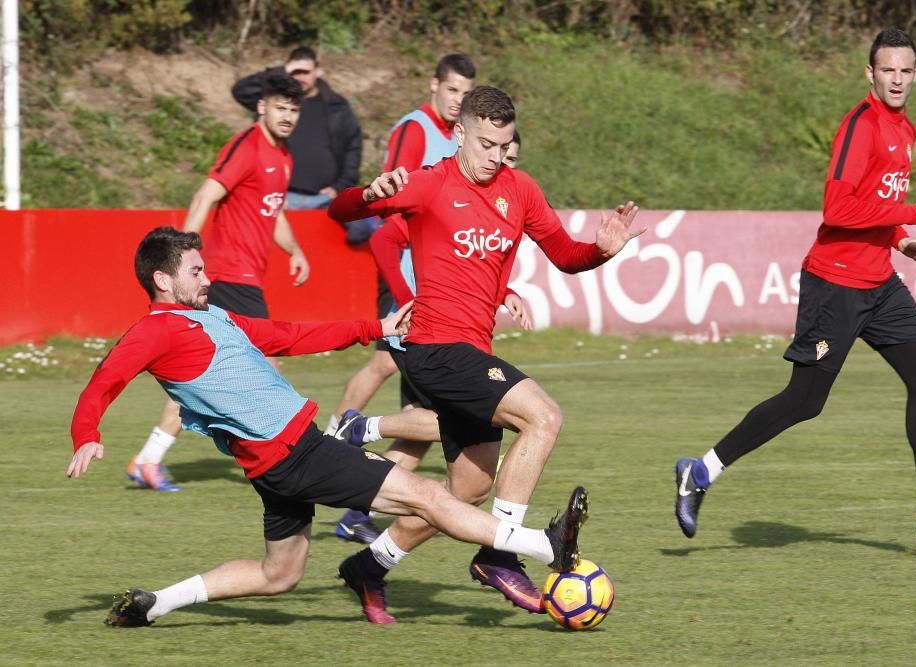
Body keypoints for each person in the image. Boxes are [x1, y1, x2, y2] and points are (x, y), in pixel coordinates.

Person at [68, 226, 589, 628]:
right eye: (197, 271)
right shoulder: (153, 331)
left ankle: (154, 605)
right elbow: (103, 380)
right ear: (164, 280)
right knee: (427, 496)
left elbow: (288, 336)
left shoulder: (213, 316)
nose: (208, 278)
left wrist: (373, 328)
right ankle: (544, 546)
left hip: (278, 463)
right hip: (297, 454)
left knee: (280, 576)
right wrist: (86, 434)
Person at [327, 85, 644, 623]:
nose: (494, 157)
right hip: (435, 347)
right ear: (459, 134)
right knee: (543, 416)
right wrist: (366, 194)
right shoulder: (429, 183)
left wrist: (600, 252)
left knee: (466, 493)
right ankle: (500, 553)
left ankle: (370, 564)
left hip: (472, 349)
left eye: (503, 146)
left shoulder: (519, 189)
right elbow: (340, 211)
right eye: (485, 144)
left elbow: (566, 255)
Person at [673, 28, 916, 543]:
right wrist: (912, 211)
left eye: (905, 70)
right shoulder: (861, 126)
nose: (896, 78)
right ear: (870, 73)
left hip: (880, 284)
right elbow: (838, 208)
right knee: (805, 400)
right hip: (835, 283)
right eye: (887, 69)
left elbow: (872, 206)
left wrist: (901, 239)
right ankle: (701, 471)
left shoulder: (904, 130)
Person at [126, 73, 311, 492]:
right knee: (264, 364)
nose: (287, 116)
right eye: (280, 107)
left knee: (208, 373)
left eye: (294, 109)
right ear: (262, 107)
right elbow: (205, 195)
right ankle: (285, 454)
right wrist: (182, 257)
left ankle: (150, 458)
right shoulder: (247, 146)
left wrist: (294, 250)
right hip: (227, 275)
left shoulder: (283, 157)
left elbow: (273, 211)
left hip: (248, 278)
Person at [326, 53, 477, 542]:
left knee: (422, 414)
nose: (458, 100)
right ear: (434, 85)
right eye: (452, 90)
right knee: (389, 370)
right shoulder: (414, 129)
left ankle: (357, 504)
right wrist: (404, 291)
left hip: (432, 289)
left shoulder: (459, 141)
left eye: (465, 93)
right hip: (406, 280)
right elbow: (389, 208)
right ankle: (335, 439)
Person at [232, 46, 362, 210]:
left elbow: (353, 147)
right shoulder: (276, 103)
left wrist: (340, 187)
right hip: (278, 197)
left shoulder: (337, 106)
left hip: (323, 199)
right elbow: (241, 91)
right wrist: (282, 71)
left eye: (305, 72)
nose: (300, 77)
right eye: (295, 72)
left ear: (317, 71)